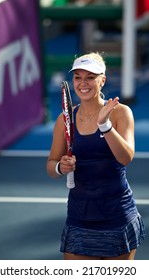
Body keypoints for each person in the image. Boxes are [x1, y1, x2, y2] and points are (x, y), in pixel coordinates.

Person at [46, 52, 145, 260]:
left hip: (117, 217)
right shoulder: (64, 119)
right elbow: (51, 165)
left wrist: (105, 125)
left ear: (103, 80)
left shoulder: (121, 113)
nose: (83, 83)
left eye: (90, 77)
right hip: (79, 218)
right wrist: (60, 167)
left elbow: (125, 157)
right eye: (78, 77)